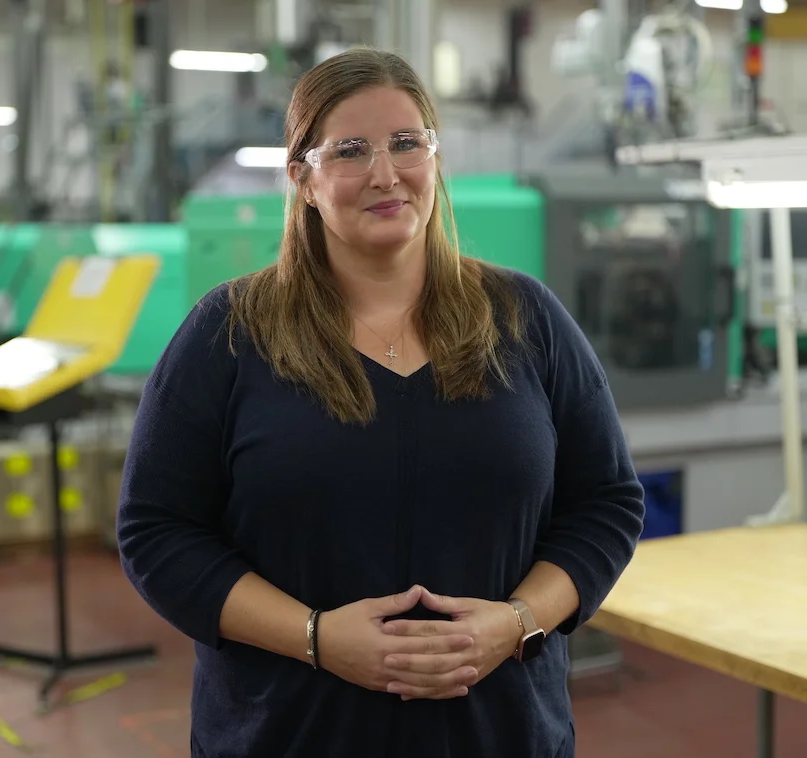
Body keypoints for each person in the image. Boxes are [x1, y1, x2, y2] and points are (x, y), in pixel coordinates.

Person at [117, 47, 645, 757]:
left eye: (406, 143)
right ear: (302, 179)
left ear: (436, 157)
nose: (385, 173)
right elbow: (157, 532)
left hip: (498, 732)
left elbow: (607, 501)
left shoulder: (526, 319)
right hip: (292, 731)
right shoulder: (230, 333)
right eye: (350, 151)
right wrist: (315, 638)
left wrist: (518, 621)